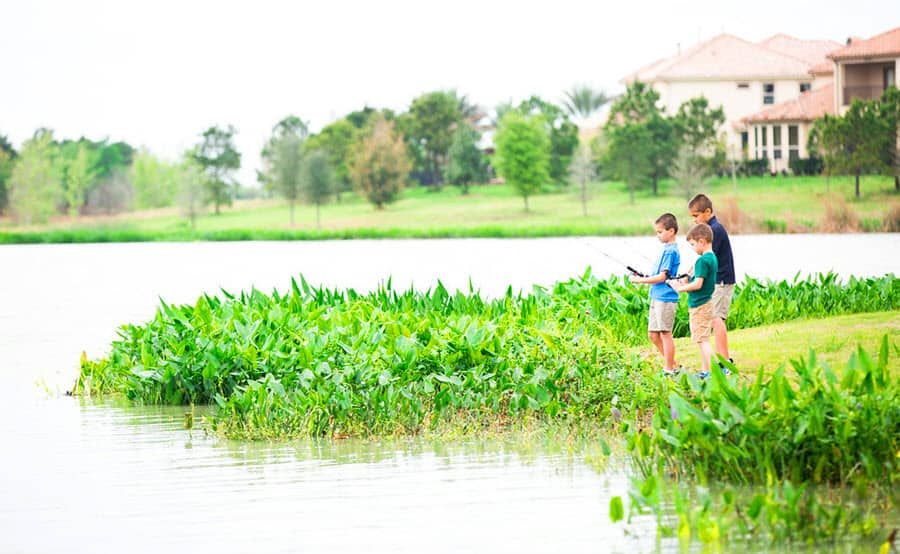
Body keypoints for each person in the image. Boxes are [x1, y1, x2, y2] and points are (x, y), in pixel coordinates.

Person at [629, 213, 681, 376]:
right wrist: (645, 277)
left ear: (671, 231)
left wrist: (639, 281)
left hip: (665, 297)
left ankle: (669, 369)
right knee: (653, 335)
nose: (657, 235)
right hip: (656, 296)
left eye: (660, 232)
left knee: (665, 333)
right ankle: (673, 364)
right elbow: (657, 274)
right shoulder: (665, 249)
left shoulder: (671, 251)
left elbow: (663, 277)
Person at [688, 194, 735, 367]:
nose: (695, 220)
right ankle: (717, 362)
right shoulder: (709, 230)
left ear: (707, 211)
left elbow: (706, 259)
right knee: (714, 318)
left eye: (696, 215)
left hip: (722, 281)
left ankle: (725, 361)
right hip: (717, 281)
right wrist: (688, 274)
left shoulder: (715, 230)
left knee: (717, 319)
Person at [669, 223, 718, 377]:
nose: (692, 248)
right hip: (706, 302)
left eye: (693, 244)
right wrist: (686, 279)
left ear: (702, 241)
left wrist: (679, 288)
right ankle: (706, 371)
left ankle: (713, 371)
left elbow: (698, 284)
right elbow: (698, 279)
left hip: (700, 305)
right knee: (703, 339)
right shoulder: (712, 258)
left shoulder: (702, 261)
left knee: (702, 340)